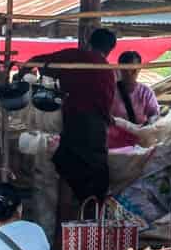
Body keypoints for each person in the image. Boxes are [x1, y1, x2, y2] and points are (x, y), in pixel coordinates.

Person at [38, 28, 119, 228]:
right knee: (95, 180)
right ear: (110, 50)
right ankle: (90, 228)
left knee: (67, 172)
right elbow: (105, 106)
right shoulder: (107, 71)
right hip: (94, 129)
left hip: (71, 123)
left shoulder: (72, 57)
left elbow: (39, 62)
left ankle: (65, 232)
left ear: (88, 41)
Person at [107, 51, 161, 149]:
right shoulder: (110, 92)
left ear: (139, 69)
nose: (129, 73)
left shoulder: (146, 92)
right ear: (119, 69)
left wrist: (149, 124)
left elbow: (154, 114)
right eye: (125, 70)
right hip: (116, 145)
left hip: (140, 143)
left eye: (133, 70)